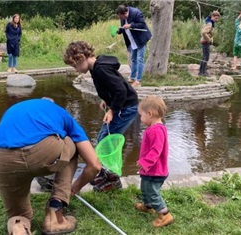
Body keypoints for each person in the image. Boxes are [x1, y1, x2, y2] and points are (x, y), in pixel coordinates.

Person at [0, 98, 101, 235]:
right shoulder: (61, 113)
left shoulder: (16, 109)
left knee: (18, 213)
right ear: (53, 104)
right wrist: (75, 187)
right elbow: (95, 165)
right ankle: (55, 215)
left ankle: (19, 228)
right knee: (73, 143)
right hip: (43, 152)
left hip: (2, 156)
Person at [63, 41, 139, 192]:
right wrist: (106, 99)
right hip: (123, 105)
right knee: (105, 138)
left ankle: (112, 178)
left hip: (126, 107)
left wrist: (112, 109)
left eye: (75, 66)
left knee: (105, 139)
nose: (76, 70)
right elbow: (113, 87)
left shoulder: (101, 69)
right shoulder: (96, 66)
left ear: (81, 58)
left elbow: (121, 91)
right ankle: (105, 173)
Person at [135, 95, 174, 228]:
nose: (140, 118)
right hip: (150, 170)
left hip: (155, 171)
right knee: (145, 189)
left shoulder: (157, 130)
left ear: (150, 114)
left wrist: (145, 161)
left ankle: (165, 215)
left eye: (141, 115)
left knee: (152, 192)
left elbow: (156, 150)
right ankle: (148, 206)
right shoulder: (154, 128)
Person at [116, 5, 152, 87]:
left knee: (139, 59)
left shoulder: (136, 13)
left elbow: (142, 24)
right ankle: (132, 77)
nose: (120, 18)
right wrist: (118, 30)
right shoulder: (123, 17)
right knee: (133, 58)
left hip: (140, 39)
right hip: (132, 40)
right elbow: (123, 27)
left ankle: (138, 80)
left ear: (125, 13)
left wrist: (131, 25)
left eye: (120, 16)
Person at [198, 10, 221, 77]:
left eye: (218, 18)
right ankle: (202, 72)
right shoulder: (210, 24)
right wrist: (209, 40)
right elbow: (203, 32)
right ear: (212, 17)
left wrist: (211, 39)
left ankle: (201, 72)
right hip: (205, 42)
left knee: (204, 57)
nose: (217, 19)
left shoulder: (210, 22)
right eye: (216, 18)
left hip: (204, 41)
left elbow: (209, 33)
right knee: (206, 57)